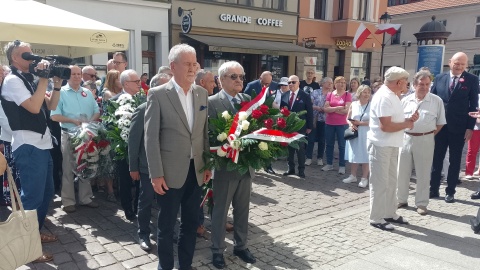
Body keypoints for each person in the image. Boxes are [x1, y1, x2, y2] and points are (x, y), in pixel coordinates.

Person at [144, 44, 212, 270]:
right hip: (169, 174)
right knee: (166, 226)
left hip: (196, 171)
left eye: (195, 64)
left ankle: (185, 265)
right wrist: (156, 174)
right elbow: (150, 138)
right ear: (173, 66)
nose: (193, 69)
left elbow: (203, 133)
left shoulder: (201, 93)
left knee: (191, 224)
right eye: (188, 64)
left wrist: (207, 164)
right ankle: (165, 266)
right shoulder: (157, 94)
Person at [1, 40, 63, 262]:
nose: (31, 57)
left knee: (47, 192)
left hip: (43, 143)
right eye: (25, 54)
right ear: (14, 58)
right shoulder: (11, 80)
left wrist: (55, 84)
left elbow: (51, 105)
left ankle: (33, 233)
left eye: (31, 53)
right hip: (28, 145)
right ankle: (27, 249)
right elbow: (34, 107)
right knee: (32, 197)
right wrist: (44, 78)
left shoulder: (30, 79)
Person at [208, 61, 256, 269]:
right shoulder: (211, 103)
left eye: (241, 77)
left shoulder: (247, 100)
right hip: (224, 167)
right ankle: (217, 250)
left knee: (243, 209)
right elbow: (208, 135)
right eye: (233, 76)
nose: (239, 80)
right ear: (221, 80)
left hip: (245, 166)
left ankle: (241, 245)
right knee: (220, 211)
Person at [367, 66, 419, 231]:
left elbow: (394, 121)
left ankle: (389, 212)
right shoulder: (384, 97)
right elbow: (386, 126)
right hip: (381, 145)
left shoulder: (393, 95)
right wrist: (407, 123)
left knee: (391, 182)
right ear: (398, 82)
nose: (407, 85)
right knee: (380, 183)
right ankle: (376, 217)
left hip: (391, 144)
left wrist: (408, 120)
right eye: (405, 82)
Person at [430, 52, 479, 203]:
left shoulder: (472, 80)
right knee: (436, 159)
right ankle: (433, 189)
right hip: (440, 126)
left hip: (459, 128)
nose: (459, 67)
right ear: (450, 62)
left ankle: (450, 191)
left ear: (466, 65)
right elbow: (432, 101)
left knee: (455, 160)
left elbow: (473, 106)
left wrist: (470, 128)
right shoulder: (439, 78)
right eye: (456, 63)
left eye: (462, 64)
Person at [50, 65, 100, 213]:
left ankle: (85, 198)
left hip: (86, 135)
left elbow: (97, 111)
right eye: (74, 74)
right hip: (69, 134)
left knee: (86, 164)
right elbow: (54, 116)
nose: (77, 76)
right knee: (67, 168)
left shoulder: (87, 93)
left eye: (79, 74)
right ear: (67, 76)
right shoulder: (61, 93)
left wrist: (88, 124)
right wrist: (73, 122)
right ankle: (68, 201)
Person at [396, 69, 446, 215]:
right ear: (414, 84)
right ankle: (401, 199)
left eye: (427, 84)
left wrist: (428, 134)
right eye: (421, 84)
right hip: (405, 138)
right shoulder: (405, 100)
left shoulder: (436, 101)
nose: (424, 87)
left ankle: (422, 203)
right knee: (402, 171)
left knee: (423, 173)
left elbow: (441, 123)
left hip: (426, 139)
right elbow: (399, 121)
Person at [111, 69, 142, 221]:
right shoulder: (114, 101)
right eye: (136, 82)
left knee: (140, 182)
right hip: (123, 150)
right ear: (126, 84)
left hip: (141, 149)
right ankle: (128, 209)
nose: (139, 84)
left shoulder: (143, 100)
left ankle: (138, 207)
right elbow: (109, 126)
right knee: (125, 181)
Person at [128, 102, 152, 251]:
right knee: (146, 200)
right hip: (146, 166)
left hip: (168, 166)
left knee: (167, 203)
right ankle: (143, 233)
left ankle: (166, 231)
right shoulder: (143, 109)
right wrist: (133, 166)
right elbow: (134, 140)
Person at [281, 75, 313, 178]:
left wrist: (309, 126)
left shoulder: (305, 95)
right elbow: (282, 111)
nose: (290, 84)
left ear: (299, 83)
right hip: (288, 127)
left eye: (293, 82)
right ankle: (290, 168)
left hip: (301, 127)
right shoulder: (284, 95)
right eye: (289, 82)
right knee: (289, 149)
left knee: (300, 149)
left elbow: (309, 112)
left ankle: (301, 170)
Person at [322, 76, 352, 174]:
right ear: (335, 84)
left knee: (342, 145)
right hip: (329, 123)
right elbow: (325, 109)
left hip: (342, 124)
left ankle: (342, 165)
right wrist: (338, 107)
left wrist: (332, 109)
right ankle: (329, 164)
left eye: (344, 82)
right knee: (329, 144)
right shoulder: (330, 94)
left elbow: (346, 111)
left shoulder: (347, 95)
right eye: (340, 82)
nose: (342, 84)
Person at [343, 85, 371, 188]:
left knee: (365, 154)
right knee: (354, 153)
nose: (367, 94)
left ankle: (364, 178)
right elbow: (348, 118)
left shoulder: (372, 105)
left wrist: (360, 123)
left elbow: (374, 121)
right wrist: (350, 124)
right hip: (354, 132)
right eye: (364, 92)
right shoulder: (354, 104)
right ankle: (353, 175)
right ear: (359, 93)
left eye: (368, 92)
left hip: (366, 133)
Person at [306, 77, 332, 167]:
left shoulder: (332, 94)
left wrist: (326, 109)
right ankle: (308, 157)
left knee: (322, 140)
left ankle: (320, 158)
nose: (329, 84)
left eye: (331, 83)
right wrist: (317, 107)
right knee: (311, 139)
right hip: (314, 119)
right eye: (328, 82)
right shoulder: (315, 92)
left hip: (325, 119)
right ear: (323, 83)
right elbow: (309, 104)